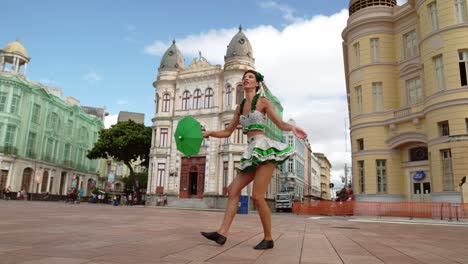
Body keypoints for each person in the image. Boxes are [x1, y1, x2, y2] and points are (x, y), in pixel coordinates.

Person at [200, 70, 307, 250]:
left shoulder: (263, 102)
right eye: (244, 77)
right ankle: (222, 233)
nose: (246, 79)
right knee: (233, 189)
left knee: (257, 196)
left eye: (250, 77)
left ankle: (268, 238)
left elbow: (280, 124)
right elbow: (227, 132)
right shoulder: (240, 107)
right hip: (250, 150)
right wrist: (210, 132)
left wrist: (293, 128)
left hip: (264, 149)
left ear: (257, 83)